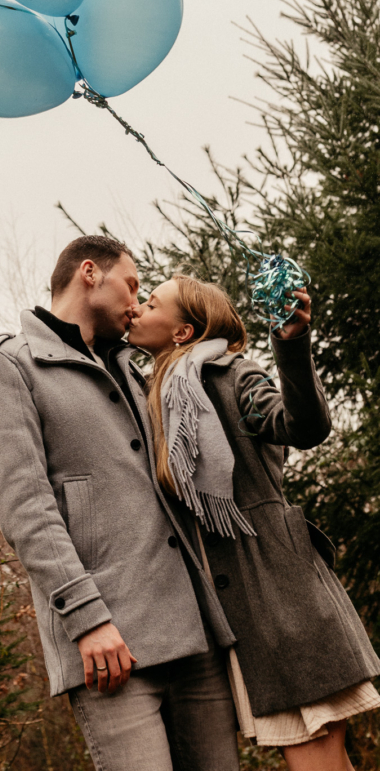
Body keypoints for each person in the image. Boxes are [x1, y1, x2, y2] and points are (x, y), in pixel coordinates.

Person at [0, 236, 243, 771]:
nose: (136, 301)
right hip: (111, 649)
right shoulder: (8, 367)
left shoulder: (133, 367)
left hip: (194, 638)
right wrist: (88, 619)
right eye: (132, 284)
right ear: (90, 273)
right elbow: (26, 510)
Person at [127, 273, 380, 770]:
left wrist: (292, 343)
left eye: (151, 303)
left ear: (182, 333)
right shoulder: (159, 396)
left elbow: (302, 425)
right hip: (241, 614)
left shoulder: (234, 377)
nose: (137, 308)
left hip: (281, 602)